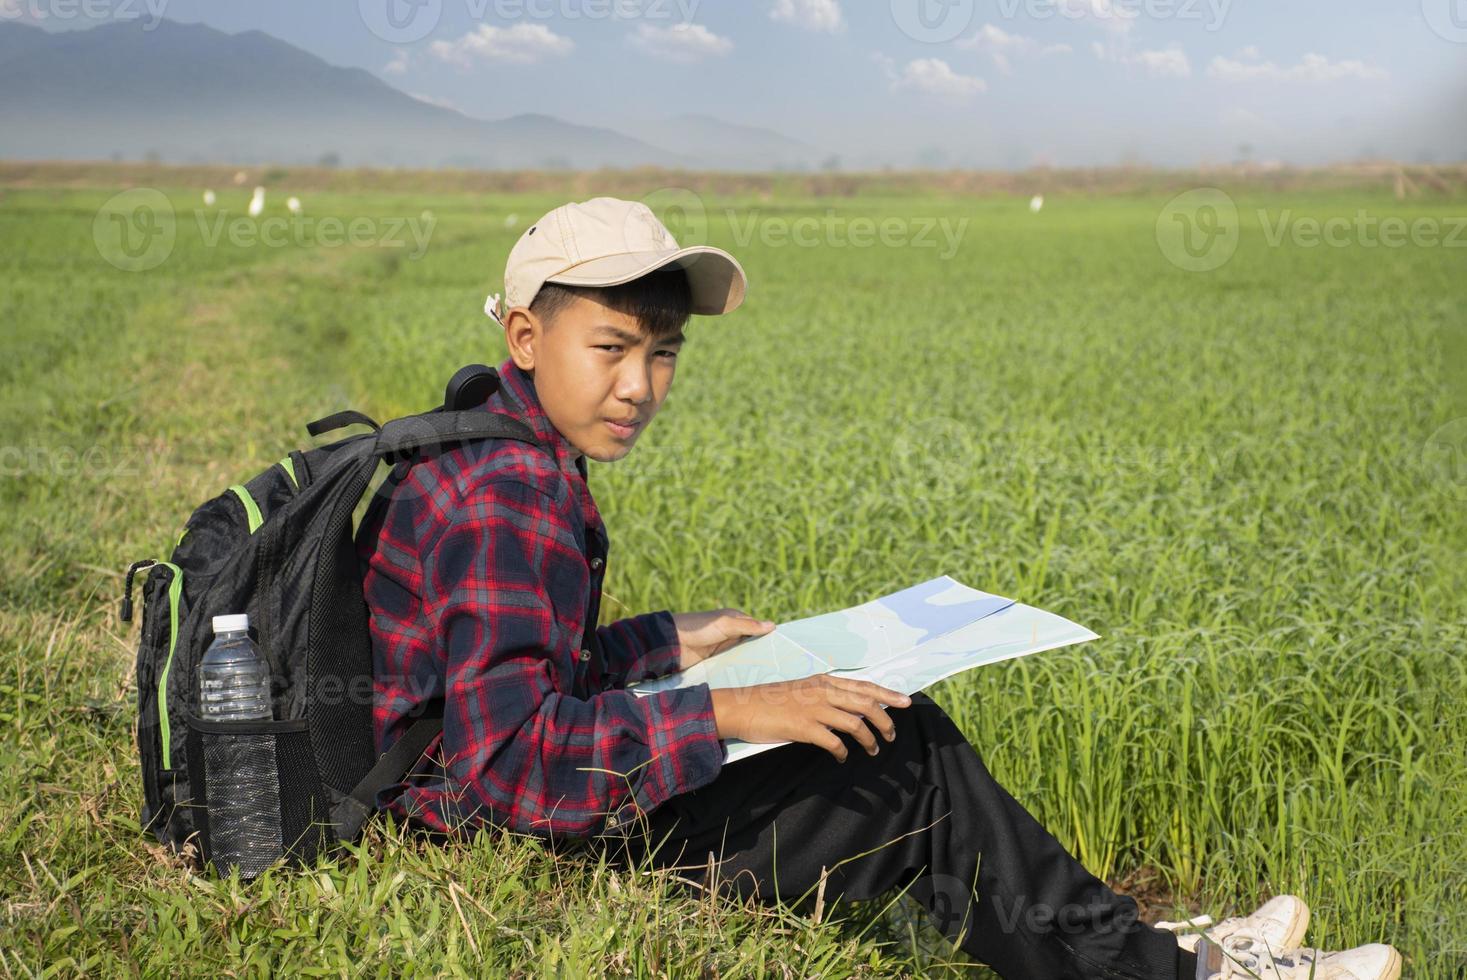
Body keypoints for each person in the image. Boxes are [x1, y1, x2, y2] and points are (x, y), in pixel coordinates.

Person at [356, 197, 1403, 980]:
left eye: (664, 352)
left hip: (457, 795)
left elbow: (521, 672)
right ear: (526, 338)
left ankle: (1131, 941)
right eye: (612, 348)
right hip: (486, 827)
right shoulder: (513, 494)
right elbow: (511, 765)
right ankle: (1181, 970)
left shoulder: (497, 444)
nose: (641, 385)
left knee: (894, 738)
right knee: (900, 751)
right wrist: (733, 708)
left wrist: (667, 639)